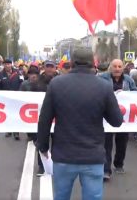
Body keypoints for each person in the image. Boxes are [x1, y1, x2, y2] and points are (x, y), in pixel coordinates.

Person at [37, 46, 123, 200]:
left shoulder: (56, 84)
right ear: (92, 62)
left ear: (71, 62)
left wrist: (43, 147)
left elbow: (44, 120)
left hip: (63, 155)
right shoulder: (104, 86)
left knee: (61, 196)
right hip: (92, 156)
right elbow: (116, 121)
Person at [99, 59, 137, 181]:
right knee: (106, 144)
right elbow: (95, 92)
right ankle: (106, 170)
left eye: (119, 66)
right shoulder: (101, 78)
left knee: (122, 142)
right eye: (114, 66)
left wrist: (126, 94)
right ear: (110, 67)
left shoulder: (128, 80)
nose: (117, 69)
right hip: (106, 117)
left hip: (124, 118)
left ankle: (119, 164)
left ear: (123, 68)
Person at [0, 59, 24, 140]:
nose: (7, 65)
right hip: (5, 99)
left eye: (9, 64)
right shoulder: (0, 75)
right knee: (7, 114)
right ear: (3, 65)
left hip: (16, 98)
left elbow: (22, 83)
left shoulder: (18, 73)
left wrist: (20, 93)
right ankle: (8, 130)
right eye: (6, 64)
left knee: (16, 114)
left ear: (11, 65)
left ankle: (16, 132)